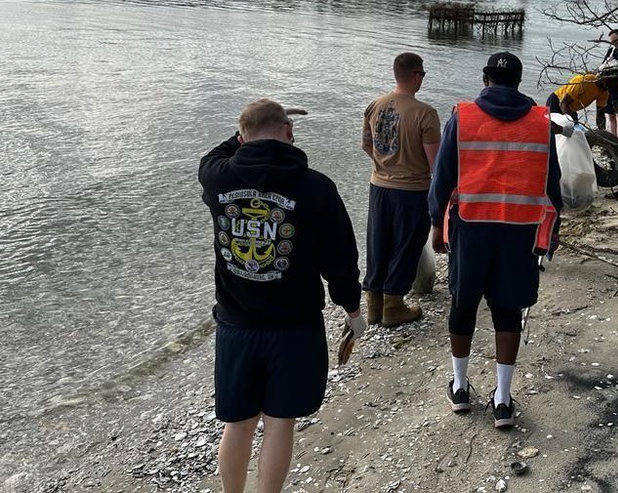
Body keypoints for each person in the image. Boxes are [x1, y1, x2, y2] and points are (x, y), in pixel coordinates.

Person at [199, 98, 365, 493]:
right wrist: (353, 309)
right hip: (294, 327)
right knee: (279, 422)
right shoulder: (316, 187)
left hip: (236, 325)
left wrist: (245, 129)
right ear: (290, 132)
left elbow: (214, 154)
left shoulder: (218, 178)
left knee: (238, 423)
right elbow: (340, 260)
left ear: (241, 139)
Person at [429, 52, 563, 429]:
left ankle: (459, 388)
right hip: (520, 231)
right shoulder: (541, 122)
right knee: (507, 310)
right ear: (519, 82)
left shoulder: (464, 115)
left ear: (485, 79)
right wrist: (550, 236)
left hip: (471, 228)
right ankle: (502, 400)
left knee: (464, 303)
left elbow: (442, 178)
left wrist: (437, 226)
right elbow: (552, 185)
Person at [362, 52, 441, 327]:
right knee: (406, 244)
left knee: (378, 241)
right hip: (412, 189)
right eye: (422, 75)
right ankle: (393, 304)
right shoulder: (425, 114)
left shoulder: (375, 105)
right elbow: (436, 163)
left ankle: (373, 304)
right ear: (416, 76)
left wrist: (386, 165)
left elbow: (367, 145)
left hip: (379, 185)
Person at [545, 71, 613, 123]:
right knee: (555, 131)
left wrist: (602, 133)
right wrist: (572, 123)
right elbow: (563, 103)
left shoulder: (604, 91)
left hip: (570, 109)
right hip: (557, 102)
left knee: (575, 133)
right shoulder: (585, 81)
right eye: (611, 82)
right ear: (604, 78)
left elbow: (600, 115)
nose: (611, 86)